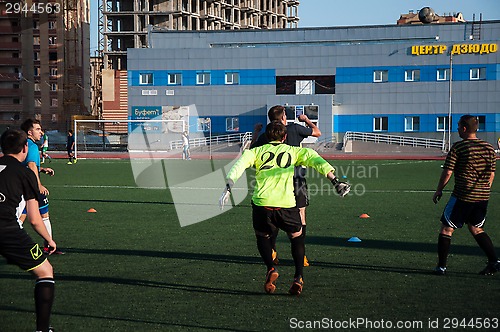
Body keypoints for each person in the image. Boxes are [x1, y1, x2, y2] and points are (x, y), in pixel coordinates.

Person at [219, 121, 350, 295]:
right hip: (286, 204)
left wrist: (228, 186)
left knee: (262, 237)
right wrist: (335, 181)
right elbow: (316, 160)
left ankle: (271, 268)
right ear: (285, 137)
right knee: (296, 238)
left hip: (263, 203)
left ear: (266, 136)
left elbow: (238, 166)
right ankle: (298, 277)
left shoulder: (255, 152)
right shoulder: (294, 151)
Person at [0, 128, 57, 332]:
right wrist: (49, 240)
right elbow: (34, 219)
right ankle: (42, 329)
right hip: (7, 231)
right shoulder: (25, 173)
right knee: (45, 272)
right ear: (25, 148)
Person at [251, 105, 321, 266]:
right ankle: (301, 255)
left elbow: (250, 152)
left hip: (274, 181)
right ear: (283, 118)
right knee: (301, 216)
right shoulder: (295, 128)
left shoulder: (266, 135)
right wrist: (306, 120)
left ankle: (272, 250)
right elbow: (317, 133)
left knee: (273, 218)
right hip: (297, 178)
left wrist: (256, 132)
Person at [432, 115, 499, 275]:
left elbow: (448, 171)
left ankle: (441, 267)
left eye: (458, 126)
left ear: (463, 128)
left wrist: (439, 189)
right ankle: (494, 261)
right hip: (482, 196)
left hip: (463, 196)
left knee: (446, 229)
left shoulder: (459, 147)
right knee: (476, 228)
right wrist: (485, 188)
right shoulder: (489, 148)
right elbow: (492, 173)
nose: (456, 129)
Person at [19, 119, 63, 255]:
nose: (41, 132)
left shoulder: (23, 145)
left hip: (21, 185)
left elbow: (26, 165)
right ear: (29, 132)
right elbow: (31, 166)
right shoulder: (31, 146)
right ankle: (49, 245)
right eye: (38, 129)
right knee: (44, 215)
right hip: (31, 187)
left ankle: (11, 244)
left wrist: (42, 169)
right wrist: (39, 185)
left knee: (21, 216)